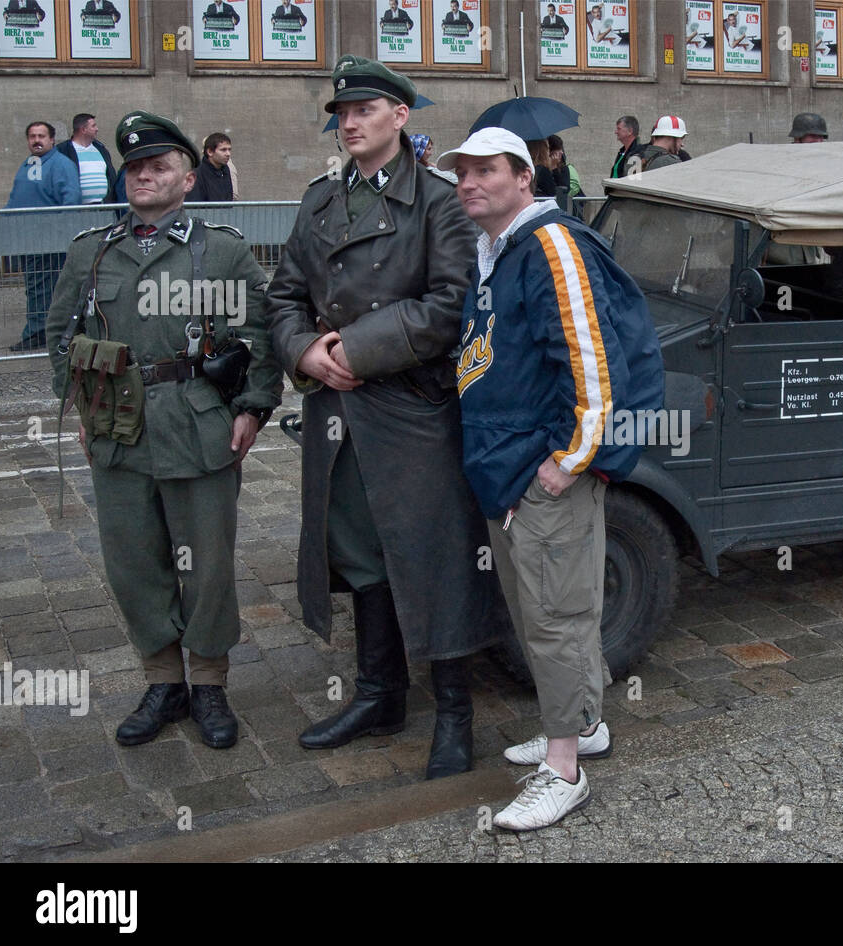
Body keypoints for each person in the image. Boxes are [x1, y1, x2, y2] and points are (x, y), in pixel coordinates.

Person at [265, 55, 499, 778]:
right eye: (341, 111)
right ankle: (379, 693)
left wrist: (356, 348)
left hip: (412, 409)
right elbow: (281, 296)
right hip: (337, 410)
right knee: (362, 555)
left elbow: (452, 304)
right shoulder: (318, 201)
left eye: (364, 109)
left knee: (434, 557)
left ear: (401, 116)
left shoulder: (438, 201)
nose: (350, 121)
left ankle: (454, 713)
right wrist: (306, 352)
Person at [437, 126, 663, 830]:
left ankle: (563, 770)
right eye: (462, 172)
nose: (469, 182)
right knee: (543, 614)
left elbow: (594, 366)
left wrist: (567, 462)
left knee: (558, 617)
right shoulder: (497, 250)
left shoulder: (550, 245)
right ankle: (583, 722)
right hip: (507, 472)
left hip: (542, 474)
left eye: (486, 171)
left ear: (523, 178)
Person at [45, 111, 282, 748]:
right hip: (118, 435)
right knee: (133, 564)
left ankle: (207, 682)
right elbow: (59, 337)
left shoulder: (222, 248)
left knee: (206, 566)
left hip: (200, 428)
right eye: (135, 167)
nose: (144, 176)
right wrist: (81, 401)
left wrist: (253, 408)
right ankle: (162, 680)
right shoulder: (91, 250)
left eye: (158, 166)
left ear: (186, 175)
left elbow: (258, 336)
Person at [6, 121, 80, 352]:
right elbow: (17, 196)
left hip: (48, 239)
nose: (36, 140)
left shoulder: (61, 164)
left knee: (44, 287)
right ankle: (43, 331)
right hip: (29, 239)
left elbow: (71, 200)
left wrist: (58, 230)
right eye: (32, 136)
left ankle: (40, 333)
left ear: (52, 140)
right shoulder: (28, 164)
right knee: (35, 287)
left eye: (41, 136)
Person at [56, 113, 116, 205]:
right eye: (93, 126)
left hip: (103, 208)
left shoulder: (101, 149)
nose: (97, 129)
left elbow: (110, 175)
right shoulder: (64, 150)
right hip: (77, 210)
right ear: (83, 130)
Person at [186, 133, 235, 202]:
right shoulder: (196, 175)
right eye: (223, 150)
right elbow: (194, 208)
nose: (228, 154)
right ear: (210, 152)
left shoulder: (225, 171)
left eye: (229, 149)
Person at [548, 133, 584, 198]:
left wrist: (554, 168)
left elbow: (564, 190)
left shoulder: (564, 169)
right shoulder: (541, 169)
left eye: (562, 149)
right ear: (550, 151)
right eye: (558, 149)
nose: (561, 152)